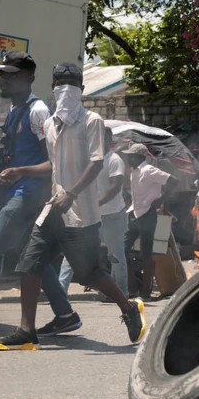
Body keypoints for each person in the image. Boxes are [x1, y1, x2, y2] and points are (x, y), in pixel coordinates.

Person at [0, 62, 145, 349]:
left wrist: (71, 193)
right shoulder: (50, 125)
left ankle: (128, 307)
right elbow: (53, 164)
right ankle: (26, 331)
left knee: (88, 273)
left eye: (71, 85)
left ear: (82, 90)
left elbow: (96, 162)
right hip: (53, 208)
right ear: (53, 89)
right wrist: (22, 170)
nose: (65, 91)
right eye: (60, 85)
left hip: (81, 212)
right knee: (30, 263)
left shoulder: (92, 120)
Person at [0, 52, 79, 335]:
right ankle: (65, 314)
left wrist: (21, 171)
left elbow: (55, 162)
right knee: (32, 257)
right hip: (14, 191)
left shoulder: (38, 110)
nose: (4, 79)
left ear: (29, 78)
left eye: (12, 74)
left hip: (29, 194)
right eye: (2, 73)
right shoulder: (13, 110)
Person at [60, 126, 129, 296]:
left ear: (107, 141)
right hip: (89, 215)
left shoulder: (114, 160)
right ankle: (60, 290)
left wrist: (93, 203)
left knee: (116, 256)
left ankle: (122, 292)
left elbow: (114, 188)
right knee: (74, 250)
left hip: (112, 215)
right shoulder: (87, 160)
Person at [124, 143, 173, 301]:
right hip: (134, 213)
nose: (128, 158)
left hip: (147, 214)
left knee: (146, 253)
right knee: (122, 249)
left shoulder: (149, 170)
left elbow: (175, 181)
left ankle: (146, 292)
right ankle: (132, 288)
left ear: (140, 157)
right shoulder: (134, 172)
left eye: (131, 156)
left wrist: (161, 200)